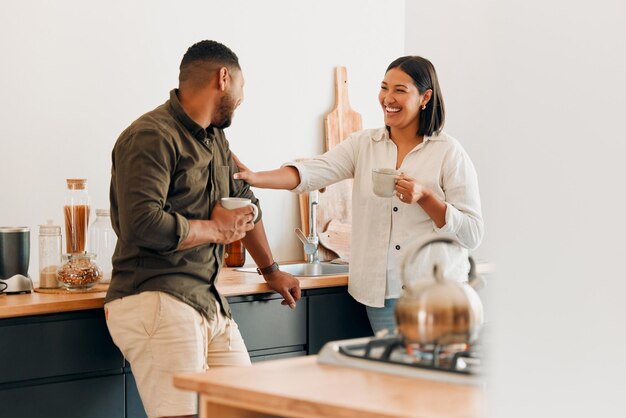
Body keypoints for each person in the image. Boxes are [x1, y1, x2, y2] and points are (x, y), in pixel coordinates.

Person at [104, 40, 301, 418]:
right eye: (241, 88)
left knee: (248, 410)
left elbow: (246, 205)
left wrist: (271, 271)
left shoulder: (215, 140)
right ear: (224, 78)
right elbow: (141, 223)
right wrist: (214, 229)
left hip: (206, 301)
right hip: (156, 298)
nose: (242, 98)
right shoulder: (151, 136)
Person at [233, 56, 484, 335]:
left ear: (425, 97)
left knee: (431, 378)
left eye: (400, 90)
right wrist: (255, 177)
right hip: (381, 299)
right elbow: (312, 171)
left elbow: (472, 233)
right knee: (393, 377)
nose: (388, 98)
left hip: (436, 298)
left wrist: (426, 197)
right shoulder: (364, 144)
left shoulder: (448, 153)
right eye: (384, 87)